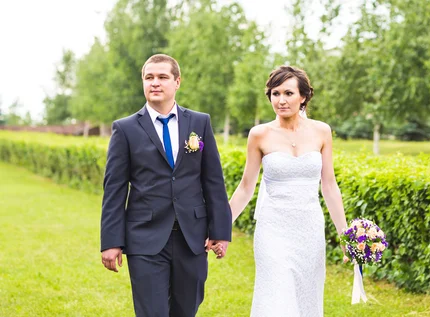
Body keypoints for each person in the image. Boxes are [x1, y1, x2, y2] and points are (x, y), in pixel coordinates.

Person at [100, 53, 232, 317]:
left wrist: (220, 230)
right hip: (144, 238)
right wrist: (111, 241)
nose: (155, 83)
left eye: (162, 77)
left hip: (192, 237)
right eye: (149, 77)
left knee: (186, 310)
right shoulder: (125, 129)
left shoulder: (199, 123)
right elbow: (114, 190)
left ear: (177, 82)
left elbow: (213, 181)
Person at [226, 65, 348, 316]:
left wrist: (344, 234)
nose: (281, 100)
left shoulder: (322, 131)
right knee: (276, 297)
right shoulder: (259, 134)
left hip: (309, 228)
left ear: (303, 96)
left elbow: (329, 185)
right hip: (273, 229)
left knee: (306, 299)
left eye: (288, 93)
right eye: (275, 93)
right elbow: (246, 187)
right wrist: (220, 226)